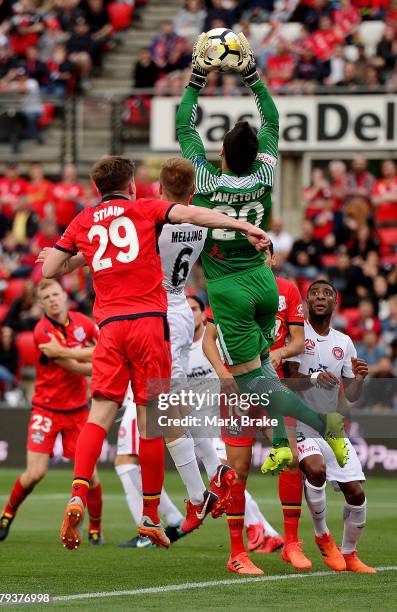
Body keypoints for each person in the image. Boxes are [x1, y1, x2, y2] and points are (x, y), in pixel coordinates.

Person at [176, 32, 349, 574]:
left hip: (226, 284)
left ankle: (322, 426)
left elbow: (185, 126)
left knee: (251, 380)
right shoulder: (268, 172)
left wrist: (198, 79)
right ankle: (286, 436)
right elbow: (272, 121)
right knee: (260, 384)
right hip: (264, 282)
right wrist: (252, 78)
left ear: (222, 153)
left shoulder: (205, 177)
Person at [41, 155, 270, 551]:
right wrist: (244, 224)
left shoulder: (86, 219)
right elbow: (197, 215)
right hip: (159, 318)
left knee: (107, 413)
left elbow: (59, 267)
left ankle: (83, 488)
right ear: (133, 186)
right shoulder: (153, 212)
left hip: (115, 323)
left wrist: (61, 259)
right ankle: (168, 504)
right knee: (159, 414)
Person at [113, 158, 237, 548]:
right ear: (192, 194)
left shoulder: (153, 221)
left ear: (160, 193)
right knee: (177, 406)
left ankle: (198, 498)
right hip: (183, 310)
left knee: (163, 415)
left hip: (158, 314)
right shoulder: (200, 219)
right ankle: (219, 471)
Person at [0, 279, 104, 545]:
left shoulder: (84, 323)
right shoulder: (42, 331)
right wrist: (101, 363)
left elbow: (106, 347)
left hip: (77, 410)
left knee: (91, 475)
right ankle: (8, 513)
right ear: (41, 304)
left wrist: (100, 356)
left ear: (65, 296)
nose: (53, 300)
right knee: (35, 473)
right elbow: (73, 367)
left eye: (56, 294)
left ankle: (95, 530)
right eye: (47, 297)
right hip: (46, 408)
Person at [286, 280, 375, 573]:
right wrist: (313, 378)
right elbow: (288, 377)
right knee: (315, 469)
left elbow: (350, 395)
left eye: (326, 294)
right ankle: (323, 536)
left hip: (331, 427)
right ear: (307, 302)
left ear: (335, 303)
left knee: (357, 493)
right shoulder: (298, 335)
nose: (320, 297)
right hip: (300, 423)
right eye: (314, 293)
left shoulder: (344, 342)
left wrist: (359, 378)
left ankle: (349, 554)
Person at [188, 294, 283, 555]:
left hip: (227, 417)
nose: (190, 314)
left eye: (195, 308)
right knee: (225, 476)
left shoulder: (214, 344)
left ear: (203, 313)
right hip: (201, 425)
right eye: (186, 310)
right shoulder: (180, 348)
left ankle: (257, 528)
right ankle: (269, 533)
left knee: (227, 475)